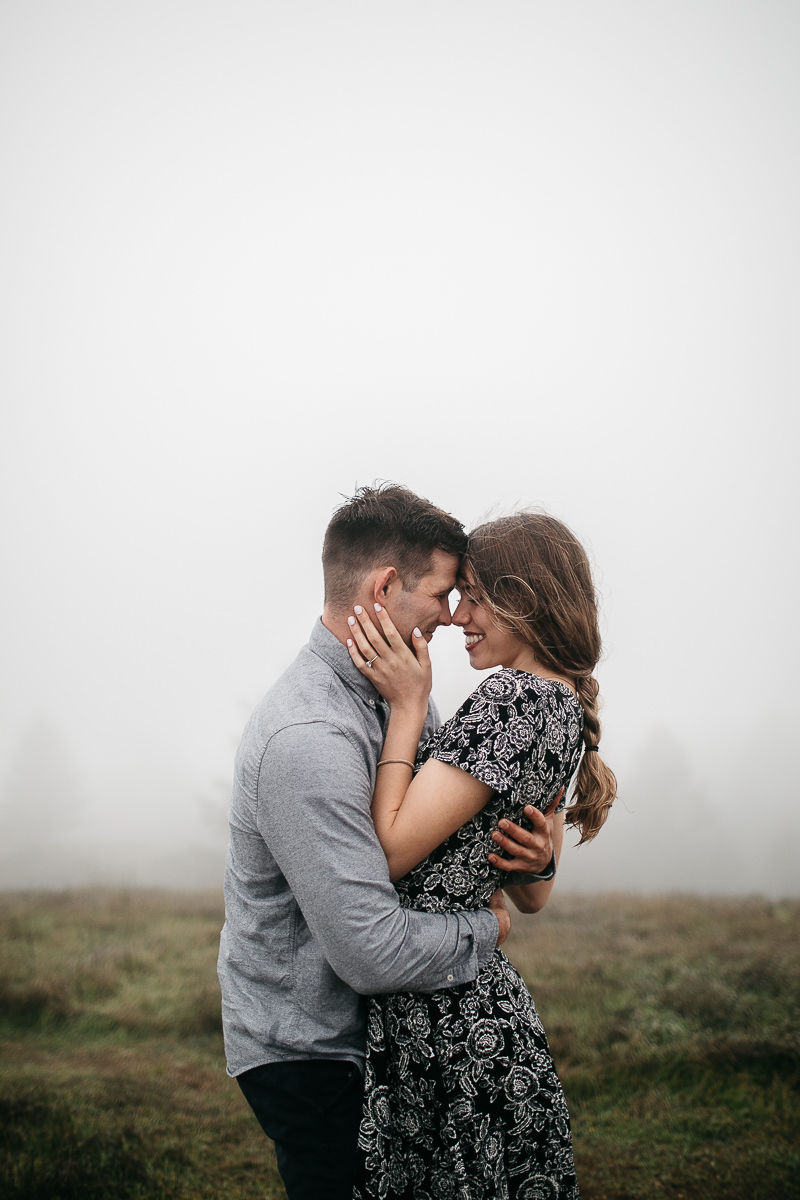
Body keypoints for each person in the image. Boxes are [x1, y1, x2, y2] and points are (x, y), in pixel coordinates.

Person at [217, 486, 557, 1200]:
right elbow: (370, 951)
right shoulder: (308, 739)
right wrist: (487, 928)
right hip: (314, 1050)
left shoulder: (400, 690)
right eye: (441, 593)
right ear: (383, 587)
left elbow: (449, 834)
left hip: (378, 1031)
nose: (451, 614)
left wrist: (534, 861)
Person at [345, 511, 618, 1200]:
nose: (459, 615)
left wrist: (409, 707)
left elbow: (389, 853)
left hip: (445, 1017)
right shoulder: (561, 708)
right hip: (480, 1006)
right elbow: (534, 895)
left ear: (525, 600)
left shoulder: (509, 700)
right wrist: (541, 860)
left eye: (475, 597)